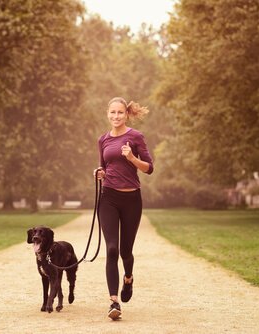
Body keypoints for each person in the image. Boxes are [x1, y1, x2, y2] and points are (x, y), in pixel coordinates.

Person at [94, 96, 154, 320]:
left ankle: (128, 278)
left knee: (125, 252)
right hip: (108, 198)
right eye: (112, 113)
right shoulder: (103, 140)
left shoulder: (135, 137)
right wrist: (99, 173)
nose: (116, 116)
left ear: (126, 114)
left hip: (131, 200)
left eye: (120, 112)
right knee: (111, 249)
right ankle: (113, 302)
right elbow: (104, 166)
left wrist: (131, 158)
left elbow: (149, 168)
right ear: (107, 114)